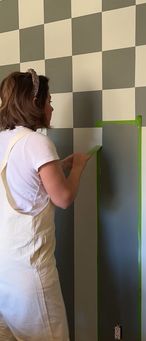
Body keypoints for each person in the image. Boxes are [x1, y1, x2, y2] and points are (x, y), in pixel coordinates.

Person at [0, 69, 90, 340]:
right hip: (31, 273)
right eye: (49, 100)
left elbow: (25, 182)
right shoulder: (37, 142)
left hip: (4, 270)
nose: (51, 107)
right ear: (34, 103)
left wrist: (57, 168)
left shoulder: (4, 139)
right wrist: (78, 167)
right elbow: (62, 198)